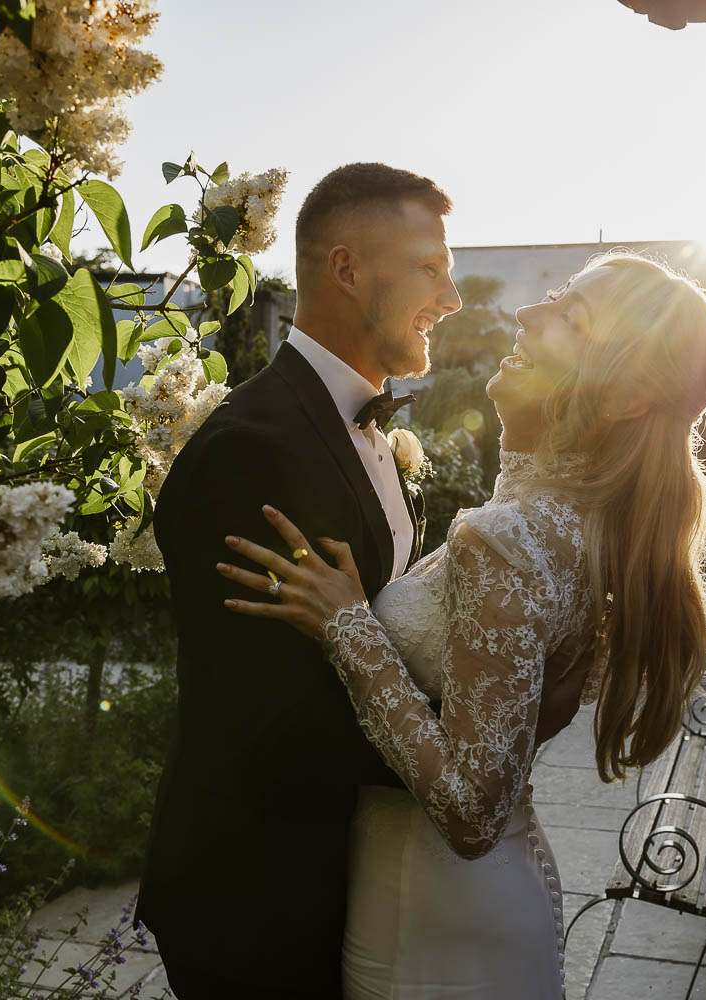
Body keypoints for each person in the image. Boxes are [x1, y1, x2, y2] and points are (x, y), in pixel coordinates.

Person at [219, 251, 706, 998]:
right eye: (556, 295)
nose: (529, 314)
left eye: (570, 317)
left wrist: (349, 627)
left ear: (624, 397)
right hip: (480, 900)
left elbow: (470, 812)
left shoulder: (506, 540)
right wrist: (524, 423)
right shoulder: (583, 523)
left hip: (431, 916)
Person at [135, 163, 588, 998]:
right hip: (260, 894)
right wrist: (478, 752)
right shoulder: (253, 449)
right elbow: (270, 714)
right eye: (429, 267)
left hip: (355, 880)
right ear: (345, 269)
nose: (451, 296)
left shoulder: (370, 433)